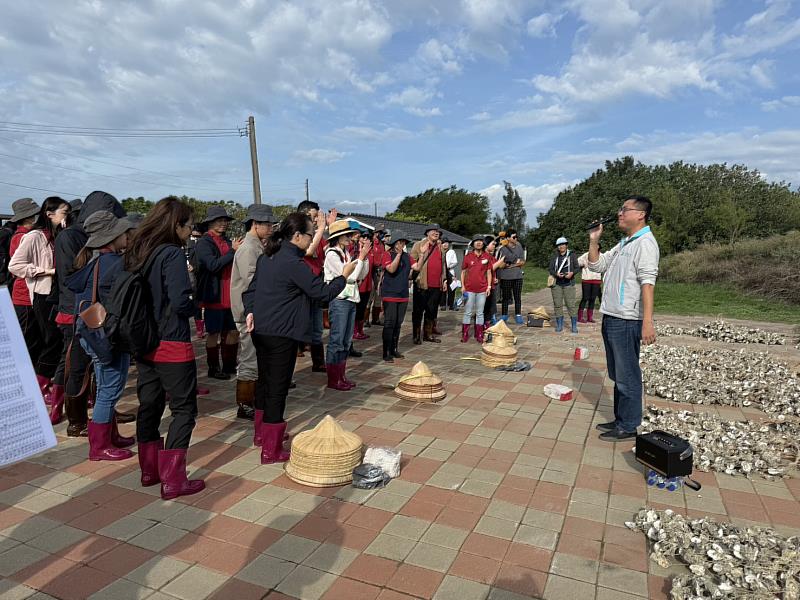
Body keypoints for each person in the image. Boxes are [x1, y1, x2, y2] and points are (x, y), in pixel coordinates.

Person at [243, 211, 353, 463]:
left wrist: (250, 310)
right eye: (310, 234)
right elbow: (321, 293)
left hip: (262, 330)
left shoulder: (269, 257)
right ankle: (270, 450)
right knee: (277, 389)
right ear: (297, 236)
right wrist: (343, 276)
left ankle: (262, 435)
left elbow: (251, 291)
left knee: (264, 382)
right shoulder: (293, 264)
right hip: (281, 333)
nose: (312, 238)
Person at [126, 197, 204, 499]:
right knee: (184, 409)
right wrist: (193, 304)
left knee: (150, 406)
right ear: (177, 225)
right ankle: (173, 479)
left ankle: (149, 471)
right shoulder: (171, 254)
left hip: (144, 340)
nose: (190, 230)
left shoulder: (140, 251)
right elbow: (180, 300)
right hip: (171, 340)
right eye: (189, 225)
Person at [54, 191, 129, 437]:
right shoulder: (70, 236)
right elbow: (68, 279)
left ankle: (105, 418)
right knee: (76, 368)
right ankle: (76, 420)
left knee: (100, 372)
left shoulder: (90, 239)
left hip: (89, 312)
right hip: (78, 312)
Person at [588, 195, 659, 442]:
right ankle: (621, 418)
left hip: (627, 319)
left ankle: (629, 425)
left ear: (640, 214)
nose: (619, 213)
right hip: (611, 315)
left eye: (624, 209)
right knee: (618, 373)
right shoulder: (625, 243)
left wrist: (647, 322)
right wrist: (594, 240)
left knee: (627, 374)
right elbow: (597, 265)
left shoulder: (645, 244)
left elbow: (647, 284)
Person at [66, 211, 134, 461]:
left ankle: (111, 436)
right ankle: (99, 446)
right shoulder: (117, 264)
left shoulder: (93, 263)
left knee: (108, 386)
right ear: (113, 237)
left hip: (91, 334)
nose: (128, 235)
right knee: (109, 388)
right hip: (109, 336)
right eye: (125, 232)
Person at [9, 197, 70, 423]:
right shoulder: (32, 236)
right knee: (47, 340)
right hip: (39, 293)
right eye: (64, 212)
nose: (67, 216)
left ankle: (43, 383)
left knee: (50, 340)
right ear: (49, 213)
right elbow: (14, 265)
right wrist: (44, 271)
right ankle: (39, 384)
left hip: (51, 293)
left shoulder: (52, 237)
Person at [230, 204, 275, 422]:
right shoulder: (249, 248)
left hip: (253, 311)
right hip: (249, 311)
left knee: (254, 356)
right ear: (255, 224)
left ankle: (251, 398)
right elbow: (251, 284)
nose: (270, 228)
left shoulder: (256, 245)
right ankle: (245, 403)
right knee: (249, 357)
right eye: (267, 225)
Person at [195, 207, 242, 380]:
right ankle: (213, 368)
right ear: (210, 223)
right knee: (213, 333)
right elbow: (213, 265)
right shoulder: (204, 243)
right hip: (214, 294)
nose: (223, 223)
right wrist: (233, 251)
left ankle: (229, 365)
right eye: (218, 220)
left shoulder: (228, 241)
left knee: (232, 330)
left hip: (231, 293)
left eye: (225, 220)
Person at [324, 220, 371, 390]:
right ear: (338, 237)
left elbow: (361, 275)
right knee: (337, 340)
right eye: (347, 235)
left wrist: (363, 259)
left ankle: (341, 376)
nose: (350, 239)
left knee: (345, 340)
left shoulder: (346, 254)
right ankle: (333, 379)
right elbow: (348, 276)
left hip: (351, 299)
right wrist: (360, 258)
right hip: (339, 300)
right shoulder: (331, 254)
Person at [298, 200, 335, 373]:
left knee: (317, 326)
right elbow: (308, 251)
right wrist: (321, 229)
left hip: (316, 283)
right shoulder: (298, 234)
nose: (316, 220)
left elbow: (325, 249)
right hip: (302, 286)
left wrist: (331, 228)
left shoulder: (316, 234)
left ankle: (318, 362)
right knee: (300, 323)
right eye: (314, 216)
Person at [9, 199, 43, 378]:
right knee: (28, 339)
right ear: (29, 217)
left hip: (26, 293)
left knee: (32, 338)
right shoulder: (23, 237)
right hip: (24, 295)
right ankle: (25, 377)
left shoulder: (21, 235)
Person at [380, 230, 421, 362]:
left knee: (398, 323)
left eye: (403, 242)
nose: (402, 245)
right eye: (399, 242)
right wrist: (398, 256)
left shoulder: (407, 256)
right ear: (394, 243)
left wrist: (422, 253)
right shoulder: (387, 255)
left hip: (403, 294)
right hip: (390, 294)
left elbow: (417, 267)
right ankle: (386, 352)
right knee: (389, 323)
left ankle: (394, 349)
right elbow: (391, 269)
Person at [409, 224, 446, 344]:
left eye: (438, 231)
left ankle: (428, 334)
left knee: (431, 311)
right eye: (434, 231)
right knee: (418, 311)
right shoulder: (418, 245)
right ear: (427, 233)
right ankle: (416, 335)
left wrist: (444, 280)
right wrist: (422, 253)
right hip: (422, 284)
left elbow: (443, 265)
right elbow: (412, 261)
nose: (436, 233)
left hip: (436, 285)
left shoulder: (440, 247)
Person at [460, 235, 495, 343]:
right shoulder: (468, 257)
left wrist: (489, 286)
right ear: (473, 244)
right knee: (468, 312)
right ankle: (465, 333)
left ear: (483, 243)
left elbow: (489, 273)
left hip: (482, 289)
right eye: (476, 241)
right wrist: (463, 286)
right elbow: (463, 272)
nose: (478, 243)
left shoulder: (487, 257)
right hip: (469, 289)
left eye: (480, 241)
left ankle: (479, 333)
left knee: (480, 312)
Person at [548, 236, 580, 333]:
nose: (561, 246)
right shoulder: (554, 256)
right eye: (559, 245)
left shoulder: (572, 255)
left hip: (569, 283)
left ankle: (574, 326)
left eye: (563, 244)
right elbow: (550, 269)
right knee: (557, 305)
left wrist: (571, 274)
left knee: (571, 305)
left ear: (566, 245)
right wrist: (556, 274)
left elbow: (577, 268)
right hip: (557, 284)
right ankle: (559, 325)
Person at [497, 228, 526, 324]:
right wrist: (511, 263)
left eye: (517, 236)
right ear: (508, 238)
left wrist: (511, 265)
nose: (516, 238)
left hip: (518, 276)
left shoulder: (519, 246)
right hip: (506, 277)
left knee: (517, 296)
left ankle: (518, 314)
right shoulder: (502, 249)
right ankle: (504, 314)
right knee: (505, 297)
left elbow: (522, 262)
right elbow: (501, 264)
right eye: (514, 237)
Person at [353, 226, 375, 342]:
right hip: (357, 285)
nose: (365, 239)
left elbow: (376, 264)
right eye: (363, 237)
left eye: (368, 237)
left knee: (362, 309)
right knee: (356, 309)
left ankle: (360, 330)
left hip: (367, 285)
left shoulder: (371, 251)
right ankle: (355, 331)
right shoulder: (355, 250)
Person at [185, 224, 205, 339]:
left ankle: (200, 329)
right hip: (189, 276)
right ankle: (198, 328)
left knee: (198, 303)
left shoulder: (202, 243)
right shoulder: (187, 243)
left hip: (199, 276)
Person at [578, 247, 602, 323]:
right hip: (586, 279)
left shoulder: (602, 256)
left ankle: (590, 317)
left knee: (593, 299)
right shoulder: (586, 255)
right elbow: (578, 262)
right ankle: (580, 317)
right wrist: (584, 263)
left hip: (597, 280)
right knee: (585, 298)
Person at [441, 238, 458, 311]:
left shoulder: (451, 251)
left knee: (452, 288)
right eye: (444, 243)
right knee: (442, 288)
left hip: (450, 271)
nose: (445, 244)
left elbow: (455, 262)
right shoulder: (439, 251)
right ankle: (443, 304)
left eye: (447, 243)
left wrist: (448, 266)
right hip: (441, 272)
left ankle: (451, 305)